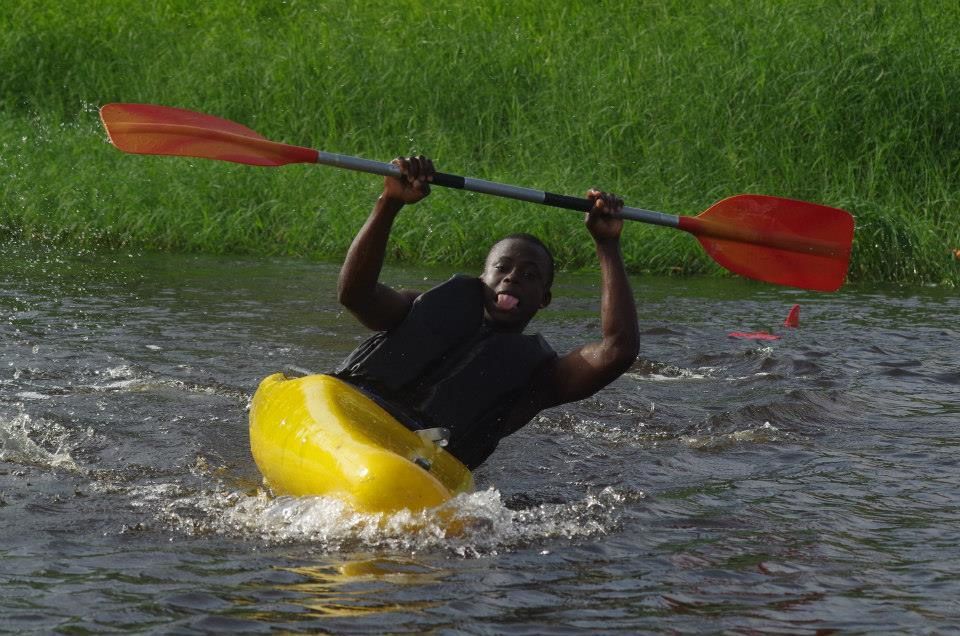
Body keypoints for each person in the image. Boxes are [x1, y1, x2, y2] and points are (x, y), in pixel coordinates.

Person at [333, 156, 640, 469]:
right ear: (482, 281)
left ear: (543, 300)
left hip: (419, 464)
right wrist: (390, 203)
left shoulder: (541, 378)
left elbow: (618, 349)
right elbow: (355, 294)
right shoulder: (418, 308)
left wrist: (607, 245)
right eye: (502, 268)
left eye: (530, 275)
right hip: (346, 414)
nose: (513, 277)